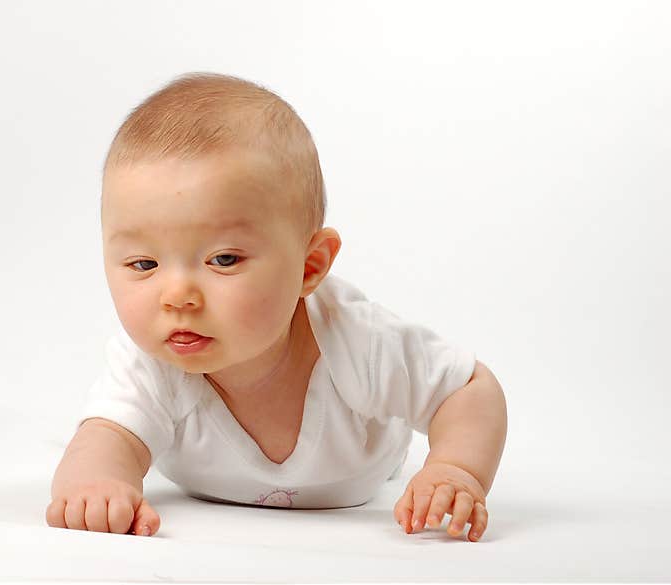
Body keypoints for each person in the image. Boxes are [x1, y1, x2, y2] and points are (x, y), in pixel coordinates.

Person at [46, 72, 507, 542]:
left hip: (363, 467)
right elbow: (106, 438)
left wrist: (455, 468)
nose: (177, 296)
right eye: (144, 263)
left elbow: (468, 389)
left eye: (223, 259)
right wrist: (97, 485)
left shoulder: (359, 343)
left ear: (309, 267)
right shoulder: (150, 362)